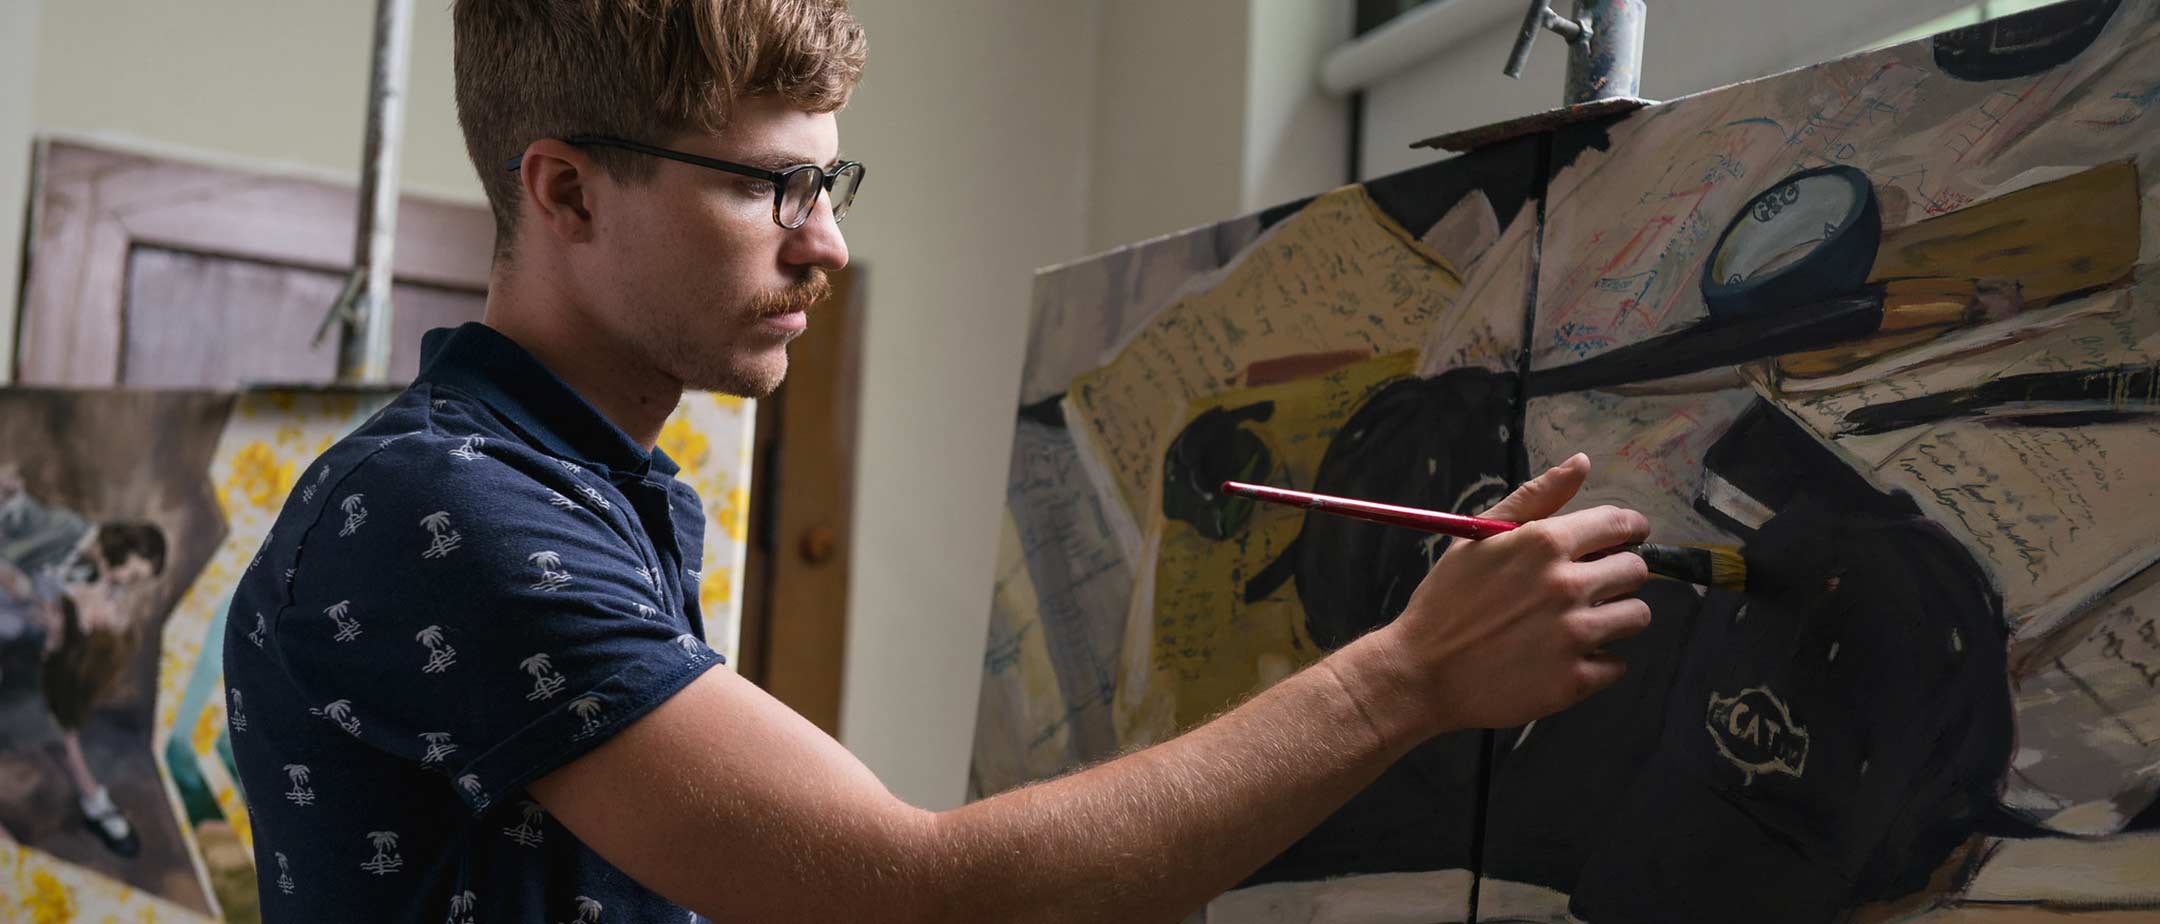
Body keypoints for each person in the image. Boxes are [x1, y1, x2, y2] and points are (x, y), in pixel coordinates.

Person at [221, 2, 1653, 920]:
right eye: (770, 185)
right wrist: (1409, 676)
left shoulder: (582, 484)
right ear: (568, 189)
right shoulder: (452, 513)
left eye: (826, 183)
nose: (826, 240)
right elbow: (915, 898)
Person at [0, 463, 166, 858]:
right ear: (122, 548)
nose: (125, 582)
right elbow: (19, 519)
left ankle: (94, 803)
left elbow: (79, 618)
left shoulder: (99, 581)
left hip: (23, 647)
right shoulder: (65, 529)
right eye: (131, 572)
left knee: (56, 723)